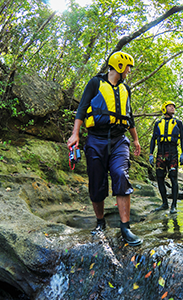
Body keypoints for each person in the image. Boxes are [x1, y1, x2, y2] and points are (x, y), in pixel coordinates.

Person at [67, 51, 142, 246]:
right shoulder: (95, 83)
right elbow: (82, 108)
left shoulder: (126, 89)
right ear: (118, 66)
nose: (129, 71)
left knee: (120, 173)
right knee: (97, 183)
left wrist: (135, 140)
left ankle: (125, 228)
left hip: (119, 140)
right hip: (96, 140)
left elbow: (129, 116)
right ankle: (100, 223)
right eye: (128, 67)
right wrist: (75, 134)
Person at [149, 101, 183, 214]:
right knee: (159, 177)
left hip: (173, 152)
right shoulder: (158, 123)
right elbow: (153, 139)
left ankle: (173, 205)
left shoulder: (178, 123)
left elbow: (182, 139)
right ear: (164, 109)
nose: (173, 108)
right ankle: (164, 203)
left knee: (173, 178)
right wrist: (151, 154)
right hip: (160, 152)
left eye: (173, 107)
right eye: (170, 106)